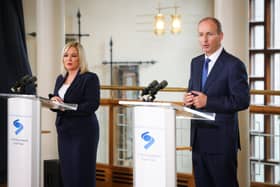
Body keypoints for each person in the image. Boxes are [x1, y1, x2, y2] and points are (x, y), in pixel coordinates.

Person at [183, 17, 250, 187]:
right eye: (200, 35)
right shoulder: (195, 63)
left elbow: (242, 101)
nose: (204, 40)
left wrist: (208, 101)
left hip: (221, 142)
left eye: (209, 34)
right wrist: (188, 99)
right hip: (198, 140)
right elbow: (193, 90)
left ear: (221, 36)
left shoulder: (234, 65)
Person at [49, 41, 100, 187]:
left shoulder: (90, 78)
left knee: (82, 172)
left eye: (73, 56)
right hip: (64, 131)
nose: (69, 59)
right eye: (66, 55)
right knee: (67, 172)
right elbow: (57, 102)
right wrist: (54, 100)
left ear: (80, 58)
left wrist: (68, 107)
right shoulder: (60, 78)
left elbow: (92, 105)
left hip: (83, 132)